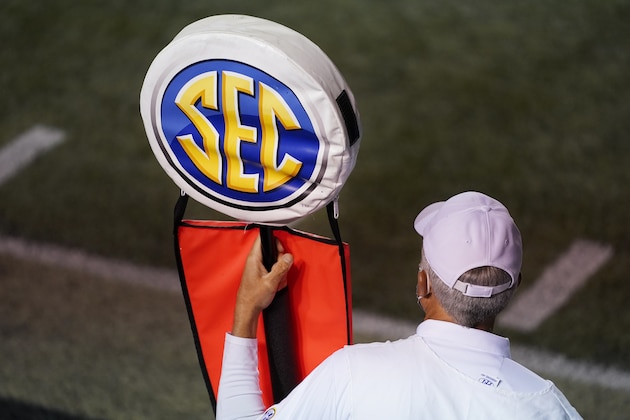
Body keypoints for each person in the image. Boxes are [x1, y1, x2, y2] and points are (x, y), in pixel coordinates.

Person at [216, 191, 582, 419]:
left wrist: (247, 308)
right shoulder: (549, 409)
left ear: (422, 284)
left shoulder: (354, 374)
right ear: (513, 287)